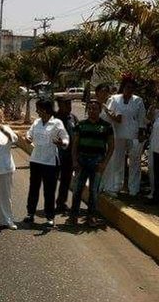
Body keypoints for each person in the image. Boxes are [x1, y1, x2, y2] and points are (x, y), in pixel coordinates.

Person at [66, 100, 114, 227]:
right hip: (82, 161)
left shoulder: (106, 126)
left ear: (100, 111)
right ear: (87, 110)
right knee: (77, 190)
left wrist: (104, 163)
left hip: (97, 161)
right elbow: (75, 145)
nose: (92, 111)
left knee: (93, 191)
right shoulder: (80, 125)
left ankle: (91, 217)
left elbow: (111, 146)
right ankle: (73, 216)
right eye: (90, 109)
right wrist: (75, 161)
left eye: (95, 109)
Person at [24, 99, 69, 227]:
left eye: (38, 109)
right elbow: (29, 134)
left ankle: (50, 216)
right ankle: (30, 213)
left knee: (49, 190)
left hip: (50, 162)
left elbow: (65, 138)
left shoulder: (56, 123)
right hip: (36, 160)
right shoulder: (37, 122)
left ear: (45, 110)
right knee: (33, 188)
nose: (37, 111)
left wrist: (62, 143)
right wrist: (27, 138)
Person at [101, 76, 147, 197]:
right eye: (127, 87)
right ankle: (116, 186)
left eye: (132, 88)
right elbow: (108, 116)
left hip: (133, 134)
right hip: (117, 134)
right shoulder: (114, 99)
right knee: (117, 161)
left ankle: (133, 189)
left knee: (135, 162)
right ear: (123, 87)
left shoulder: (138, 100)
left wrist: (142, 133)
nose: (129, 89)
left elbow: (141, 118)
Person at [54, 97, 78, 213]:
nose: (69, 107)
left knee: (66, 180)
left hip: (69, 155)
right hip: (56, 155)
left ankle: (61, 203)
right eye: (66, 104)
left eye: (70, 104)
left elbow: (78, 134)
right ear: (60, 105)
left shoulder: (73, 118)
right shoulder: (54, 119)